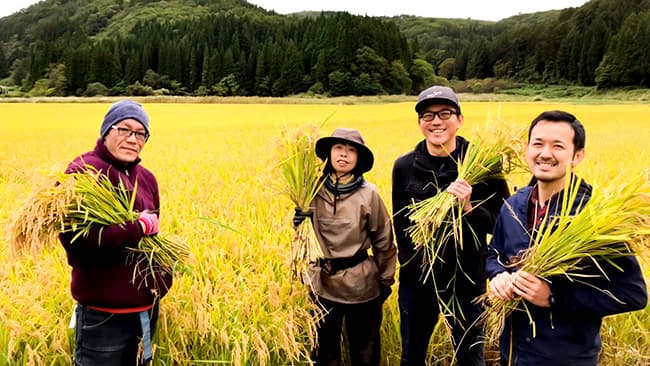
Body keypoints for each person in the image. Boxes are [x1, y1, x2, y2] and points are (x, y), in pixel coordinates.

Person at [485, 110, 648, 365]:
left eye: (557, 146)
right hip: (513, 352)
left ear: (577, 156)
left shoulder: (595, 218)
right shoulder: (513, 205)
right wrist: (498, 276)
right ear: (528, 149)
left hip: (566, 358)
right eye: (538, 143)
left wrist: (554, 297)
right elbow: (494, 253)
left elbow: (633, 294)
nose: (545, 153)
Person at [392, 85, 510, 365]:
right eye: (428, 115)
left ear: (459, 119)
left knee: (471, 358)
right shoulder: (404, 166)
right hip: (419, 281)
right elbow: (401, 223)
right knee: (412, 356)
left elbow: (504, 225)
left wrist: (469, 208)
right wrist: (412, 266)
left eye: (445, 113)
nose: (436, 121)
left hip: (468, 278)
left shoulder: (483, 163)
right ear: (420, 123)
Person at [59, 100, 172, 365]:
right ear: (106, 131)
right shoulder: (84, 172)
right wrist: (137, 227)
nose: (133, 139)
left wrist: (162, 278)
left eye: (141, 133)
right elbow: (77, 240)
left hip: (144, 311)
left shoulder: (147, 179)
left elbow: (150, 243)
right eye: (124, 130)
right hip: (103, 317)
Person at [293, 128, 397, 366]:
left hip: (360, 282)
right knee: (324, 351)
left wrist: (386, 280)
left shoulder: (369, 194)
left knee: (365, 350)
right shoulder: (311, 190)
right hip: (322, 281)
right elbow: (303, 235)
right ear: (329, 153)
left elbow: (384, 239)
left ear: (359, 159)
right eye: (339, 148)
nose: (344, 155)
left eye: (351, 151)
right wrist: (297, 221)